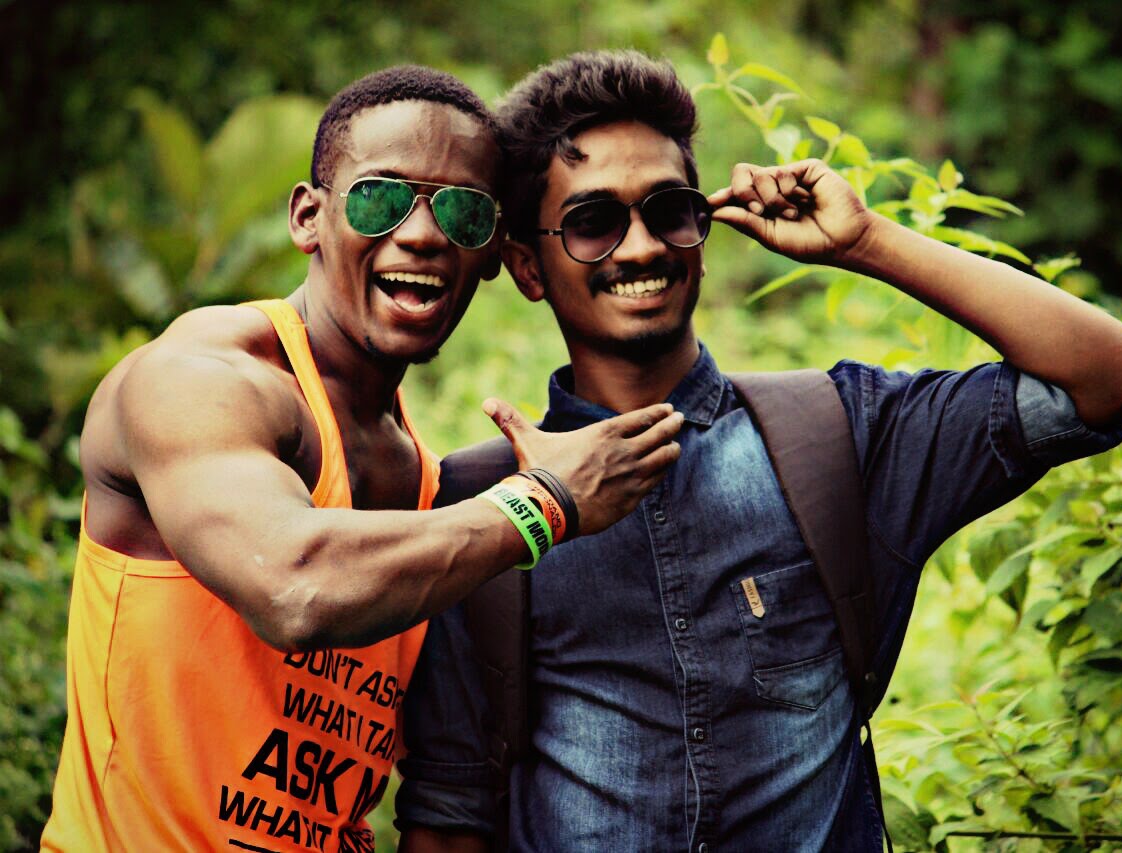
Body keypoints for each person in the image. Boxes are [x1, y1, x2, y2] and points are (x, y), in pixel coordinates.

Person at [394, 50, 1122, 852]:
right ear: (527, 267)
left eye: (670, 210)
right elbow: (449, 813)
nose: (643, 247)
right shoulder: (486, 504)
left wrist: (866, 241)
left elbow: (1112, 375)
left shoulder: (839, 436)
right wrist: (536, 507)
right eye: (593, 223)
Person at [40, 64, 685, 852]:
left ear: (493, 254)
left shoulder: (430, 483)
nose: (423, 234)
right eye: (381, 199)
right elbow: (294, 586)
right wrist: (543, 502)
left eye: (463, 212)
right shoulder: (199, 379)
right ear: (308, 217)